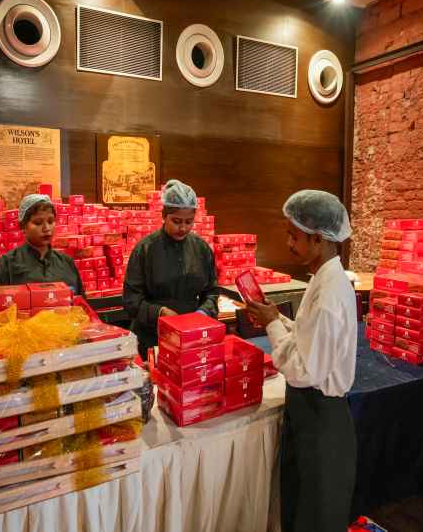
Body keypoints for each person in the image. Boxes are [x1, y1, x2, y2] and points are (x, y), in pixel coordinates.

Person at [245, 189, 357, 532]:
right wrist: (280, 318)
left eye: (294, 236)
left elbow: (303, 369)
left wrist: (271, 324)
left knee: (316, 515)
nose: (289, 244)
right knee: (299, 506)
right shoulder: (323, 279)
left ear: (319, 239)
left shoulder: (329, 294)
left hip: (321, 418)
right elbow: (310, 339)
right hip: (308, 414)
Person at [123, 179, 219, 358]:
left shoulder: (201, 248)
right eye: (176, 221)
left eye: (189, 222)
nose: (183, 228)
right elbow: (131, 299)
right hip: (151, 337)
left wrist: (203, 312)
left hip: (191, 336)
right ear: (163, 215)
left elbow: (212, 292)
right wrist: (159, 312)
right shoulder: (145, 249)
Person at [0, 193, 85, 296]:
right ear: (23, 226)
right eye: (38, 223)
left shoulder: (67, 263)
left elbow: (81, 304)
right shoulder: (6, 264)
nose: (46, 228)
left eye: (51, 221)